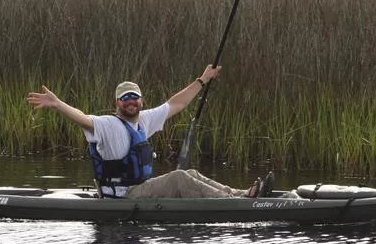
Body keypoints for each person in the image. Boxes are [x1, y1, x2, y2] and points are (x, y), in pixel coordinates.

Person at [27, 65, 271, 198]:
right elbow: (83, 119)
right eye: (125, 99)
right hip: (122, 195)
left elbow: (176, 104)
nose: (130, 102)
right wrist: (58, 104)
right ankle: (235, 203)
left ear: (141, 101)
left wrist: (202, 80)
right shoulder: (108, 125)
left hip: (139, 188)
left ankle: (240, 194)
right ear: (117, 103)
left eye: (134, 97)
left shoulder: (144, 120)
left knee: (191, 172)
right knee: (178, 177)